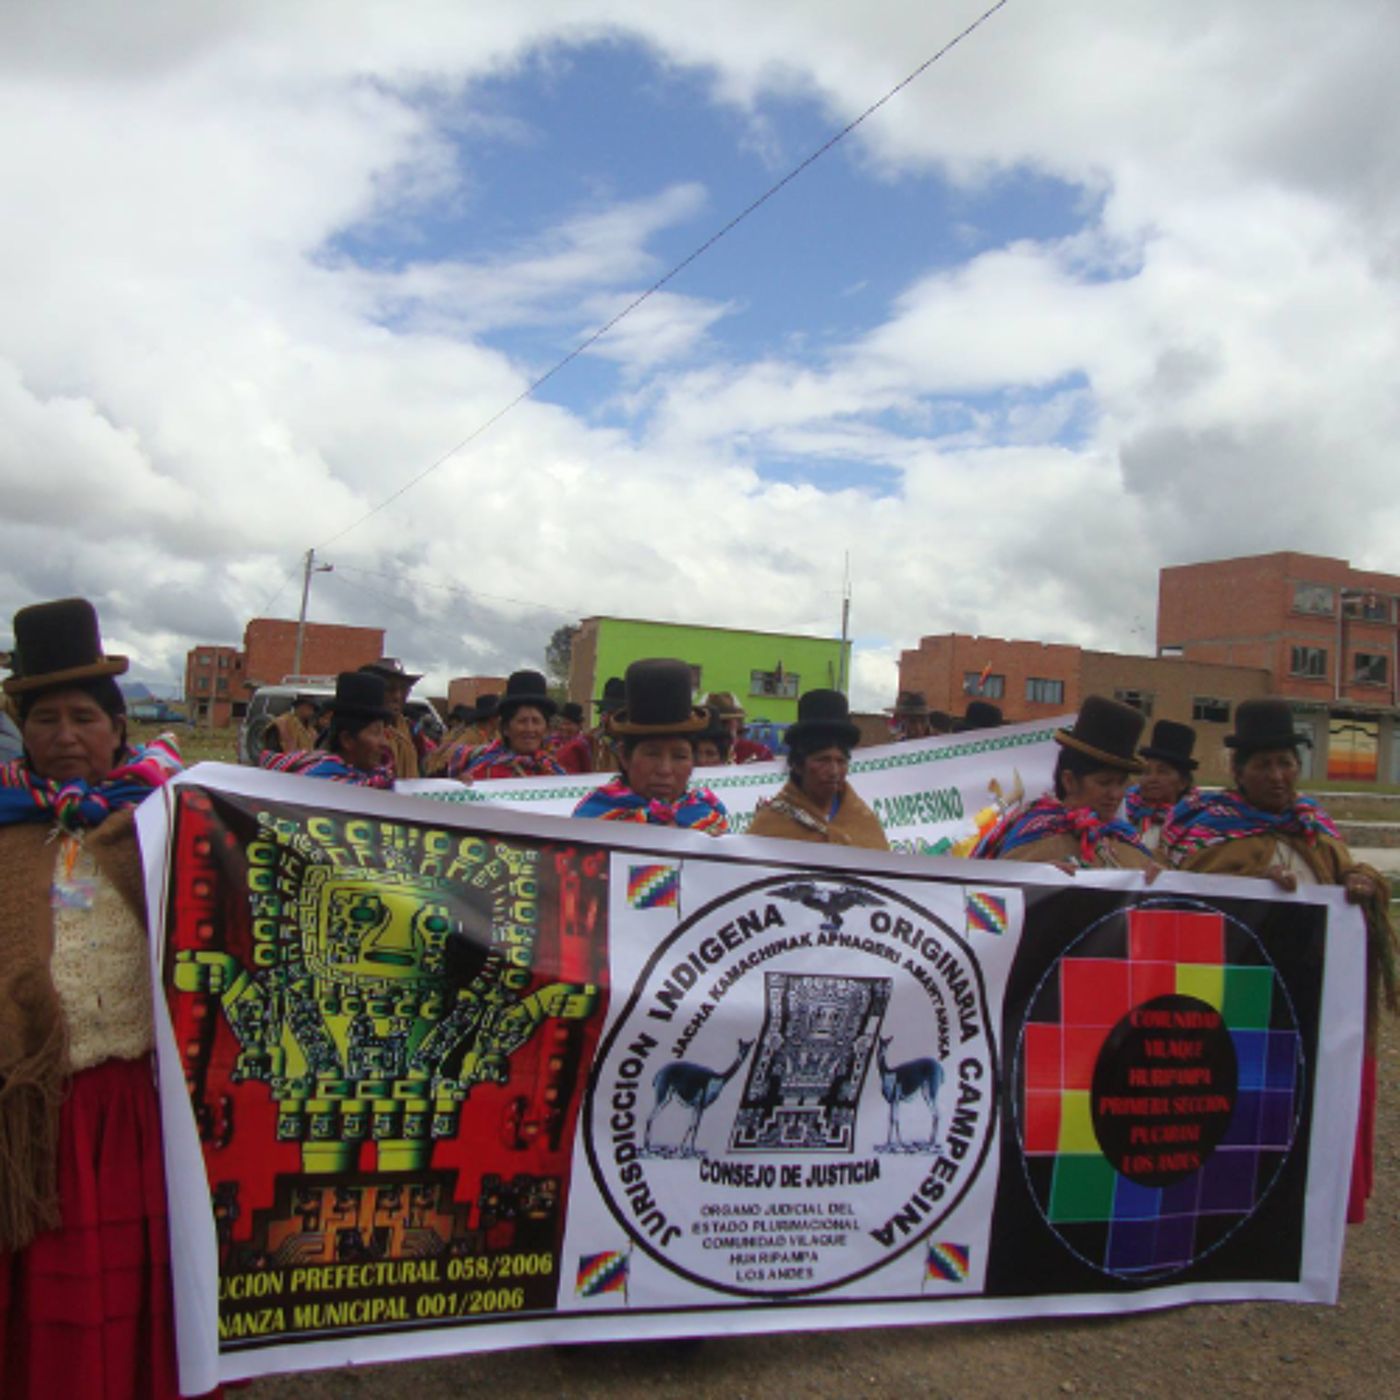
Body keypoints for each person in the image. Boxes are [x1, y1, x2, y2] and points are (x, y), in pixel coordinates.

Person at [0, 597, 188, 1398]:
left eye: (84, 716)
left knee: (136, 1295)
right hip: (29, 1114)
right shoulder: (8, 828)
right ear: (21, 729)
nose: (66, 736)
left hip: (136, 1111)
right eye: (45, 718)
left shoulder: (168, 823)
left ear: (119, 728)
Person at [1162, 698, 1394, 1223]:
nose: (1278, 775)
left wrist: (1363, 883)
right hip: (1240, 1004)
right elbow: (1186, 902)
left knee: (1307, 1105)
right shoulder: (1206, 831)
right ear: (1238, 772)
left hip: (1311, 1001)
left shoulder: (1313, 828)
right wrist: (1249, 889)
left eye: (1286, 763)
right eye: (1264, 765)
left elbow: (1347, 873)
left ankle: (1303, 1210)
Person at [972, 695, 1155, 870]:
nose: (1115, 794)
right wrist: (1037, 880)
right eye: (1104, 783)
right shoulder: (1035, 839)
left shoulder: (1127, 841)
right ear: (1069, 781)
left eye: (1122, 784)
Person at [574, 660, 728, 833]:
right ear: (625, 756)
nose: (665, 770)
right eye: (652, 754)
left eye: (680, 756)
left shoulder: (708, 821)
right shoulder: (591, 824)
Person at [750, 690, 888, 849]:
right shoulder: (771, 826)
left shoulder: (863, 822)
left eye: (841, 761)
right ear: (798, 765)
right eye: (823, 760)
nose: (834, 771)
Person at [259, 672, 395, 787]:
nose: (384, 743)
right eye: (376, 733)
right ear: (347, 740)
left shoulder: (375, 778)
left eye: (383, 733)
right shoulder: (318, 785)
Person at [442, 671, 566, 781]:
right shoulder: (482, 773)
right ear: (506, 728)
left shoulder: (555, 774)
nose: (530, 729)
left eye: (536, 721)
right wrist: (460, 789)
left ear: (546, 730)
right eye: (522, 721)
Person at [1124, 719, 1198, 855]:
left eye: (1162, 772)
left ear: (1183, 782)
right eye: (1146, 772)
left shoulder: (1194, 827)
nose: (1152, 779)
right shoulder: (1123, 815)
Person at [359, 657, 423, 779]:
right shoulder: (357, 729)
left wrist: (453, 782)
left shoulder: (412, 731)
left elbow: (427, 768)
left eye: (404, 690)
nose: (397, 696)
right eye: (390, 689)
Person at [702, 691, 774, 764]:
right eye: (710, 723)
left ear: (735, 723)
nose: (717, 730)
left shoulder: (759, 753)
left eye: (724, 722)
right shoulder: (695, 753)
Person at [263, 692, 318, 756]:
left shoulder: (311, 731)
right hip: (284, 763)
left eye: (313, 708)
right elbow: (271, 752)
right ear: (299, 706)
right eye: (309, 707)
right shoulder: (282, 723)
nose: (312, 711)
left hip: (305, 764)